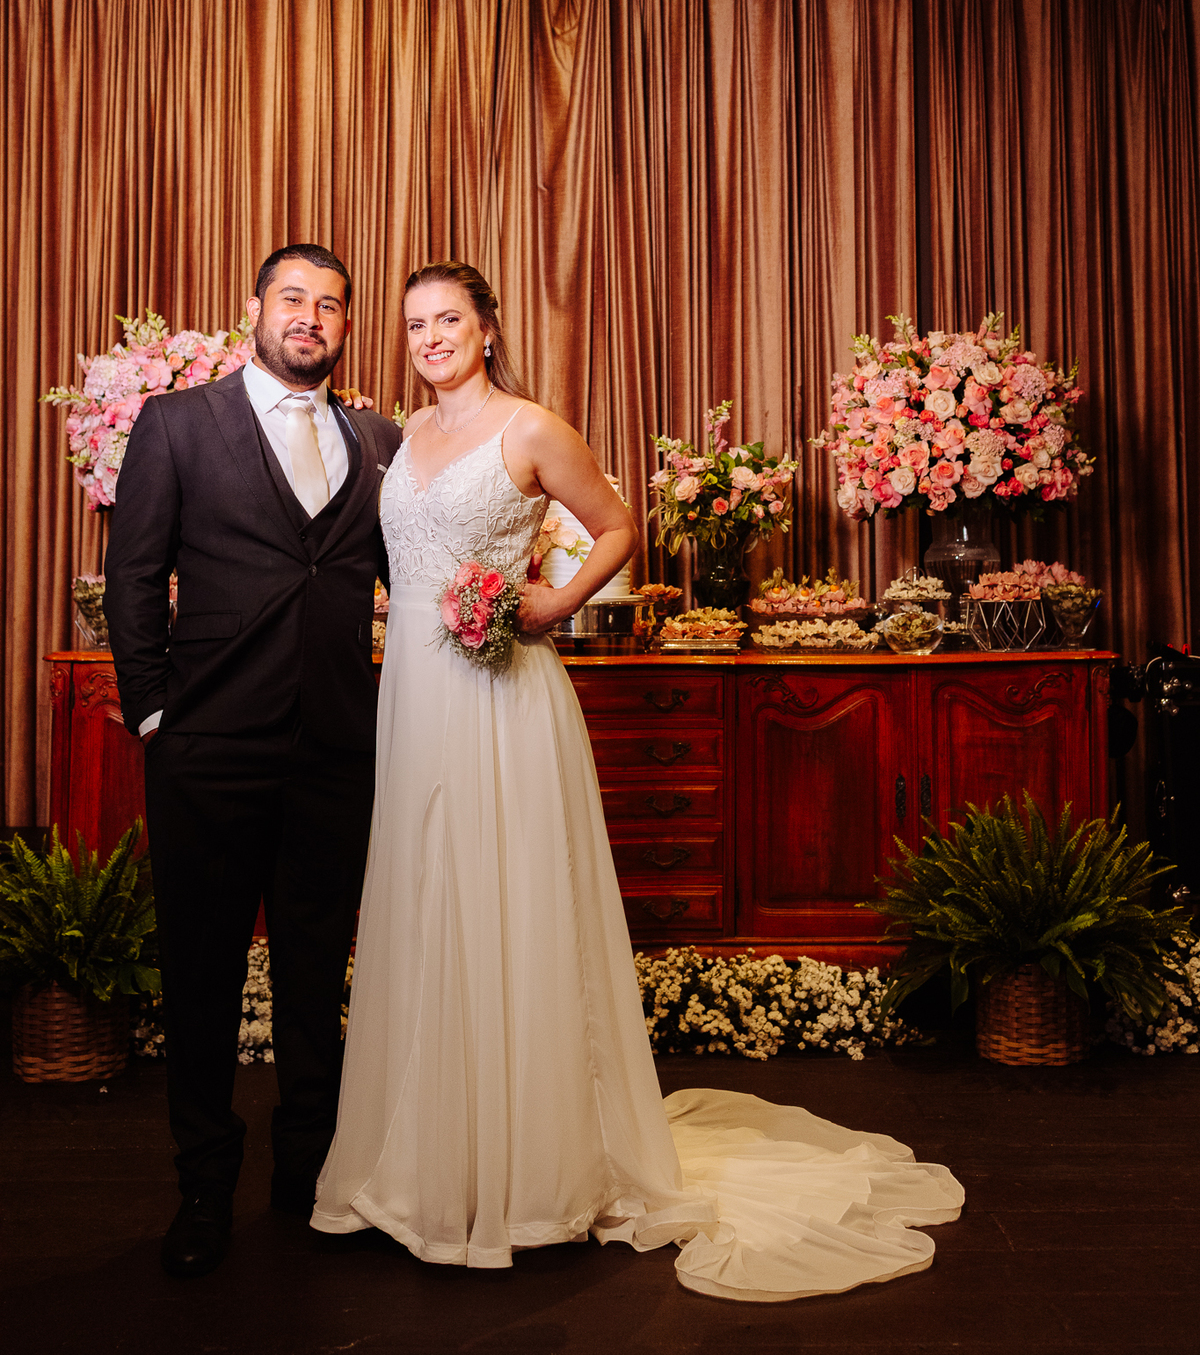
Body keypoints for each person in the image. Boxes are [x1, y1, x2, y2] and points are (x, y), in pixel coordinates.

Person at [312, 262, 963, 1301]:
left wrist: (549, 604)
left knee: (511, 912)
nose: (430, 337)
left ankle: (531, 1175)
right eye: (415, 325)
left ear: (488, 326)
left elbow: (619, 527)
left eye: (449, 319)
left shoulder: (530, 428)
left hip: (503, 699)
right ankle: (426, 1164)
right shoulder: (399, 437)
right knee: (430, 910)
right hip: (415, 703)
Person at [104, 244, 401, 1281]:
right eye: (293, 299)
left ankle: (310, 1172)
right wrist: (153, 715)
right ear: (254, 311)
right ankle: (202, 1187)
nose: (309, 317)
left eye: (329, 304)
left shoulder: (380, 439)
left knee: (318, 975)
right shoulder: (179, 425)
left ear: (347, 328)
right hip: (207, 750)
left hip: (333, 750)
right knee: (202, 974)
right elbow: (133, 575)